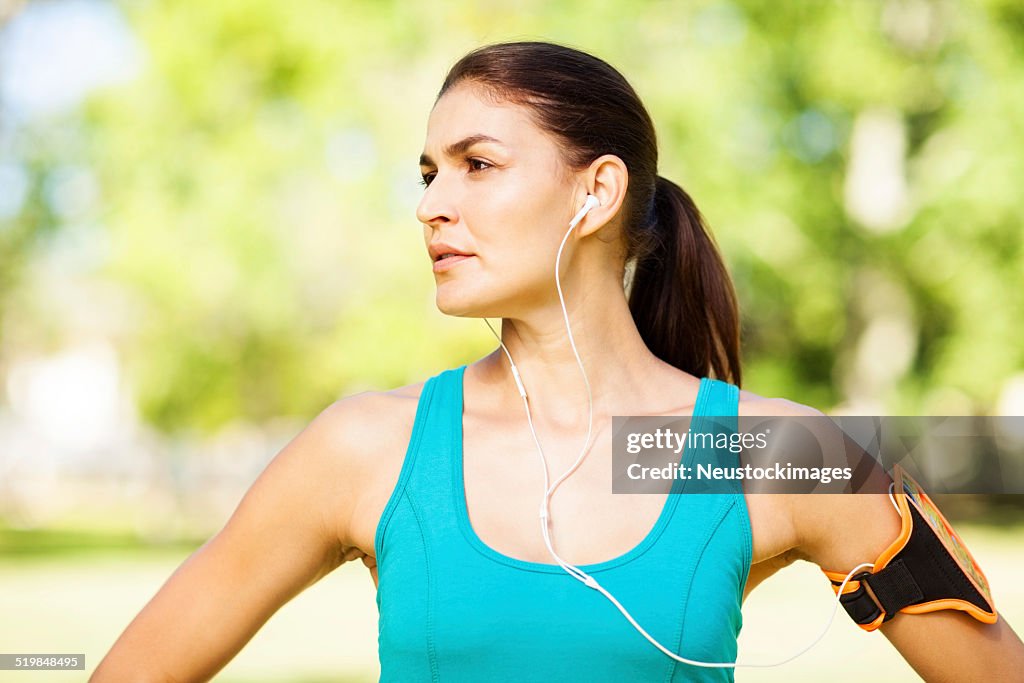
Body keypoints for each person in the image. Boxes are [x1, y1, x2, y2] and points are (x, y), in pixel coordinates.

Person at [92, 41, 1024, 682]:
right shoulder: (373, 448)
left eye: (477, 164)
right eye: (427, 173)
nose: (430, 205)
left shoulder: (748, 452)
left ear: (597, 190)